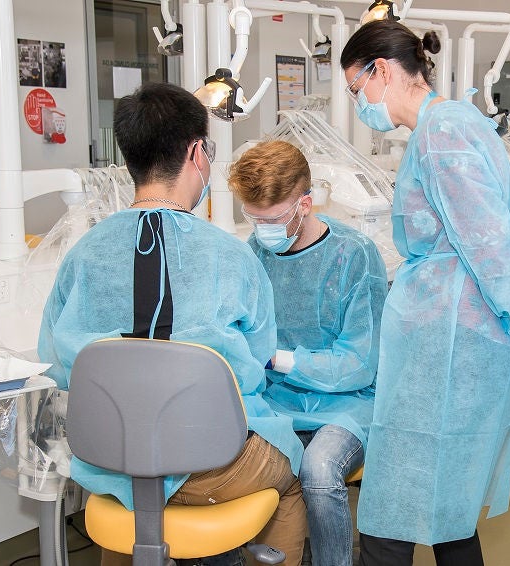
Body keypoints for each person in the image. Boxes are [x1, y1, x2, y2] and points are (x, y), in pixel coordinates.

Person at [36, 82, 306, 566]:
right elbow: (257, 361)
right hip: (214, 465)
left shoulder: (82, 255)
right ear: (198, 153)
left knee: (133, 502)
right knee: (290, 479)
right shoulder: (232, 257)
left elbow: (55, 364)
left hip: (112, 462)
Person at [340, 20, 510, 566]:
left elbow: (484, 237)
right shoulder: (458, 122)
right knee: (447, 504)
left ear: (382, 70)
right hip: (460, 327)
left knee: (394, 503)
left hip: (446, 336)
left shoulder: (440, 133)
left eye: (356, 88)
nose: (360, 103)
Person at [229, 140, 388, 566]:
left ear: (305, 203)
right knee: (222, 459)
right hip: (275, 399)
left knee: (318, 470)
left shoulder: (354, 255)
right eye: (253, 218)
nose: (262, 230)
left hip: (347, 402)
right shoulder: (255, 252)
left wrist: (276, 358)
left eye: (273, 219)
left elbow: (358, 364)